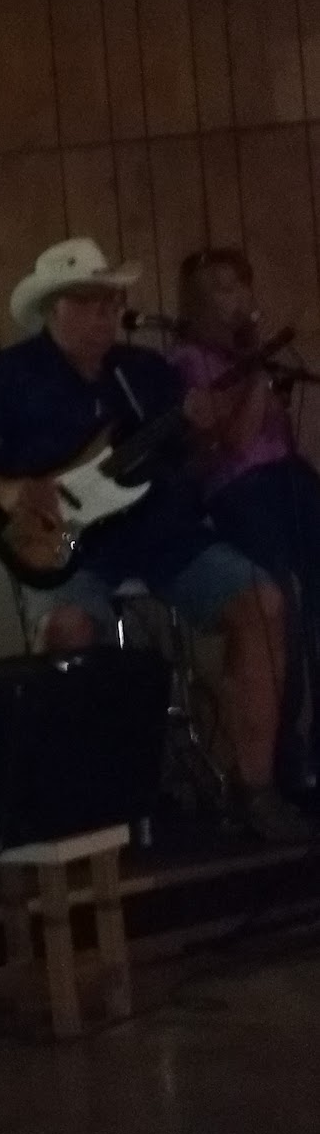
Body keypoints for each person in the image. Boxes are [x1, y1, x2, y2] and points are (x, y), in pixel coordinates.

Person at [0, 237, 304, 844]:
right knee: (68, 631)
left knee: (262, 603)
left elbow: (193, 463)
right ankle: (81, 805)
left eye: (112, 303)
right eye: (89, 303)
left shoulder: (145, 373)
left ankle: (255, 790)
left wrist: (205, 430)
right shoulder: (2, 377)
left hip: (162, 534)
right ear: (52, 308)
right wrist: (9, 492)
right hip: (64, 548)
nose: (106, 315)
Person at [172, 246, 320, 797]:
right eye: (220, 287)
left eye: (239, 285)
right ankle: (285, 765)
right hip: (242, 492)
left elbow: (280, 430)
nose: (235, 298)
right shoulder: (188, 361)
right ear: (195, 301)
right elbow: (235, 442)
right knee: (279, 613)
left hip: (289, 480)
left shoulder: (248, 357)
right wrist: (256, 367)